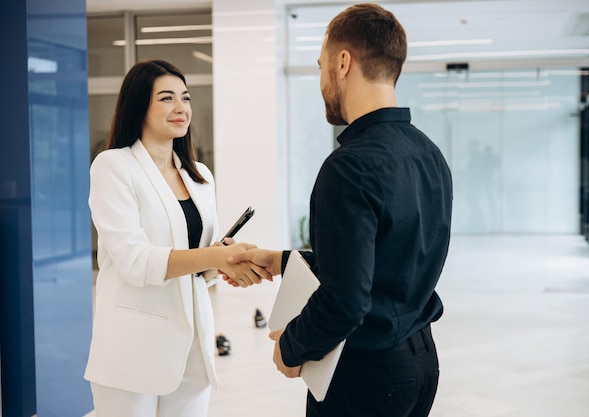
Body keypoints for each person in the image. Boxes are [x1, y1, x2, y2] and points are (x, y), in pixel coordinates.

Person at [228, 4, 453, 416]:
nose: (320, 80)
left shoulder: (349, 167)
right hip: (419, 363)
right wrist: (278, 260)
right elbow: (383, 265)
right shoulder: (428, 153)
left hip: (366, 376)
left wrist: (291, 348)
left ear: (343, 62)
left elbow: (347, 300)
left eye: (320, 66)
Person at [84, 59, 270, 417]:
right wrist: (213, 258)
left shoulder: (200, 176)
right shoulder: (113, 166)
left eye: (185, 98)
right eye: (166, 98)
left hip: (193, 348)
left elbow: (201, 270)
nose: (181, 108)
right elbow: (135, 261)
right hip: (132, 350)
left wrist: (226, 260)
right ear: (139, 106)